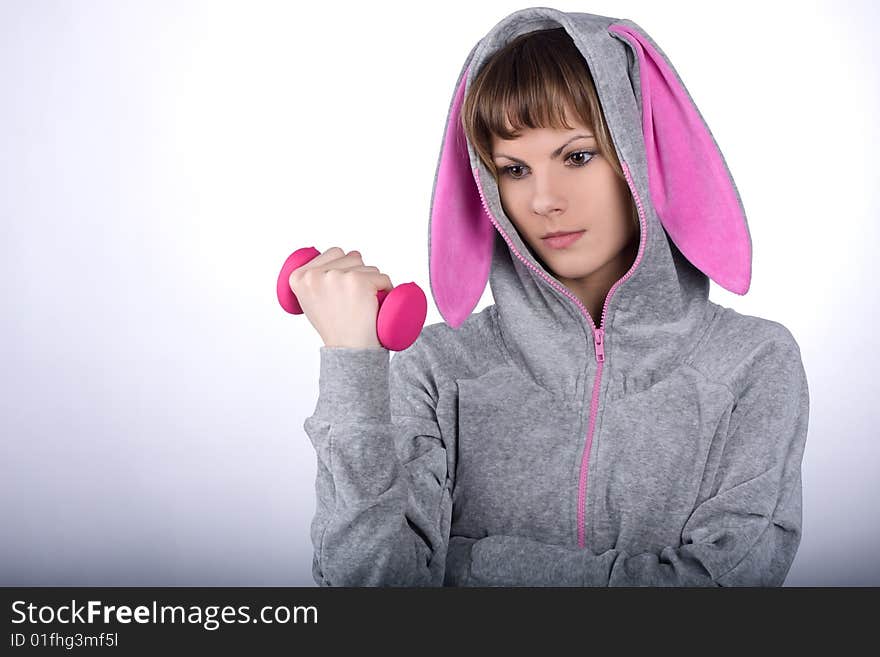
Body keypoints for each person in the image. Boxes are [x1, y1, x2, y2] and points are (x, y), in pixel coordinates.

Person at [295, 7, 810, 586]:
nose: (543, 199)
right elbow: (371, 593)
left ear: (639, 158)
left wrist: (468, 564)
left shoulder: (753, 363)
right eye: (514, 169)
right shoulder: (437, 367)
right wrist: (353, 370)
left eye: (577, 156)